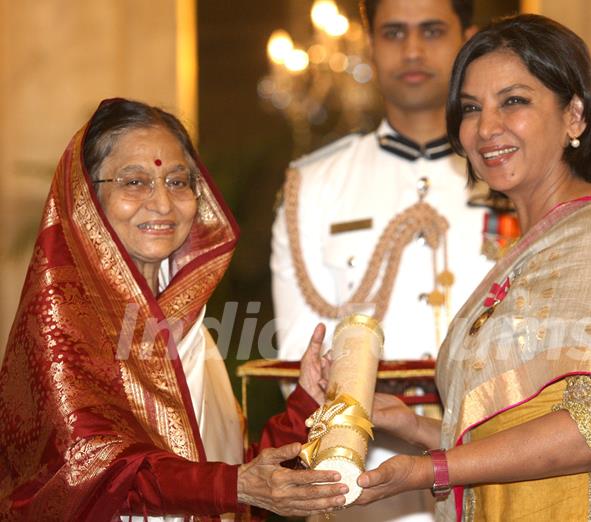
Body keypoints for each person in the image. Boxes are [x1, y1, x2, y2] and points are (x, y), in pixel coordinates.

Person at [354, 14, 591, 521]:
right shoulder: (528, 252)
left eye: (514, 101)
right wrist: (414, 428)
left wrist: (430, 469)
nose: (486, 127)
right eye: (471, 108)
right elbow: (509, 439)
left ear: (575, 116)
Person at [0, 98, 349, 521]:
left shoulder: (188, 326)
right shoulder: (63, 328)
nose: (163, 204)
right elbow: (100, 479)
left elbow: (222, 477)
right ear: (87, 197)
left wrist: (306, 404)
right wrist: (234, 484)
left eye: (178, 181)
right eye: (134, 182)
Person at [271, 2, 495, 519]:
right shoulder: (315, 185)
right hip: (360, 480)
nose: (412, 50)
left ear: (469, 38)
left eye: (432, 31)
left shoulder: (509, 175)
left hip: (490, 472)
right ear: (369, 42)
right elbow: (301, 361)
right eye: (394, 32)